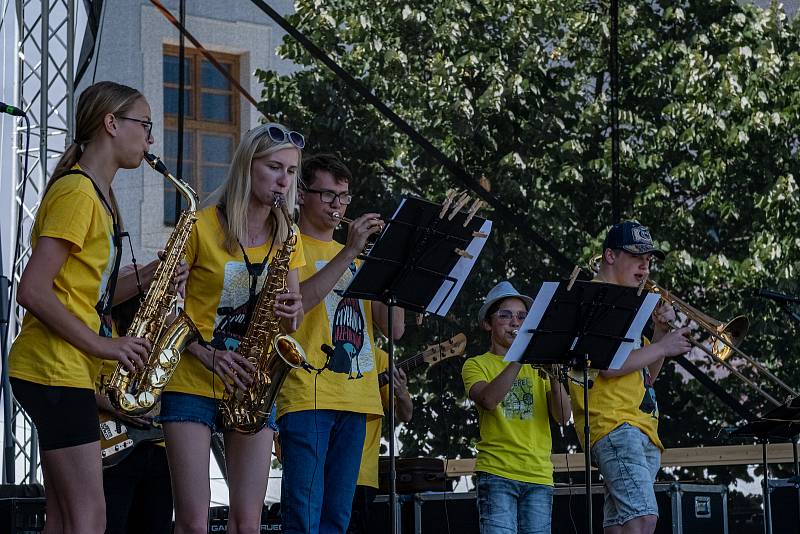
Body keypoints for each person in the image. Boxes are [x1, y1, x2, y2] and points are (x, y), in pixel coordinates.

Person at [8, 81, 159, 534]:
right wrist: (104, 345)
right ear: (111, 124)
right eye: (144, 125)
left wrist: (156, 271)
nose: (150, 139)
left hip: (63, 370)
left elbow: (88, 293)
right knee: (91, 519)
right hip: (53, 368)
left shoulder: (97, 196)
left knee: (63, 520)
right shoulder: (79, 194)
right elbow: (32, 290)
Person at [160, 122, 306, 534]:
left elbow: (290, 320)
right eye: (275, 167)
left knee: (248, 522)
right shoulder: (199, 225)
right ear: (248, 167)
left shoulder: (287, 236)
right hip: (192, 379)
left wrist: (292, 313)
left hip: (251, 385)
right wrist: (207, 354)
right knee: (193, 521)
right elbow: (166, 313)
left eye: (292, 171)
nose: (284, 180)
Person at [276, 153, 404, 534]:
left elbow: (393, 330)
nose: (338, 206)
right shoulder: (289, 243)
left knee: (337, 519)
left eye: (344, 197)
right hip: (307, 393)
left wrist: (388, 264)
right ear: (301, 195)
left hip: (358, 396)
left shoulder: (358, 259)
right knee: (303, 515)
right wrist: (350, 251)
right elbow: (299, 306)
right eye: (328, 196)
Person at [568, 221, 692, 534]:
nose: (645, 267)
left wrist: (659, 333)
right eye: (637, 257)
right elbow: (608, 365)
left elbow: (646, 375)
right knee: (643, 519)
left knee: (621, 526)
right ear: (610, 255)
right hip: (614, 423)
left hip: (641, 426)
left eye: (649, 261)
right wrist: (664, 344)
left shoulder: (628, 306)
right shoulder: (597, 300)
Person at [461, 281, 572, 534]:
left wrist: (554, 376)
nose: (515, 322)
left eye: (522, 317)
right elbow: (489, 400)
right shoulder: (476, 364)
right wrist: (521, 355)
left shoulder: (537, 364)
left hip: (539, 475)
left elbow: (564, 417)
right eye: (506, 315)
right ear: (488, 324)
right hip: (497, 472)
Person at [347, 346, 413, 534]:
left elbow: (406, 415)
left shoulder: (379, 358)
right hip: (319, 466)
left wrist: (402, 393)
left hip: (361, 473)